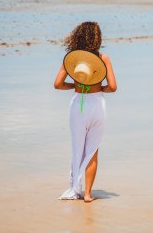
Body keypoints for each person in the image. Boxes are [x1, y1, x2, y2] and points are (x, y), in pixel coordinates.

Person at [54, 21, 117, 203]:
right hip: (97, 105)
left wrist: (76, 84)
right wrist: (100, 89)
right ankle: (88, 194)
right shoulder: (103, 58)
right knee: (93, 151)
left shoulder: (71, 59)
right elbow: (112, 87)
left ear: (78, 36)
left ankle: (75, 189)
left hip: (78, 106)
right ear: (98, 38)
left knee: (77, 149)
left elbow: (57, 84)